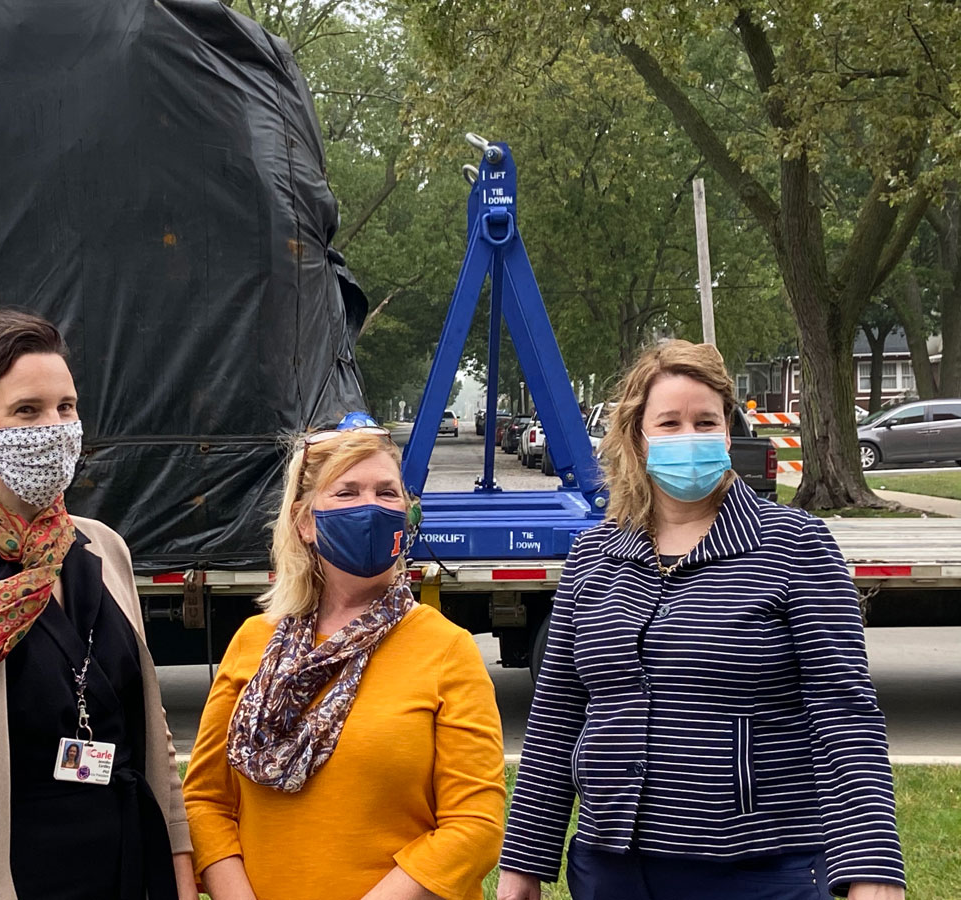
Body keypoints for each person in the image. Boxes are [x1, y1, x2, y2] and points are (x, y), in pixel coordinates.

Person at [497, 340, 905, 900]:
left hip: (754, 866)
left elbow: (844, 715)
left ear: (728, 430)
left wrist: (873, 871)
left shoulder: (795, 546)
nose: (688, 436)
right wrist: (523, 864)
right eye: (668, 422)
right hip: (610, 865)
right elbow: (556, 718)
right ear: (637, 437)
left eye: (705, 421)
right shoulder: (593, 557)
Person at [0, 309, 197, 900]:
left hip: (132, 861)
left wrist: (178, 851)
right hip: (24, 874)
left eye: (66, 407)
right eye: (28, 411)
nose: (56, 426)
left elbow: (150, 725)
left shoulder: (105, 547)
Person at [183, 413, 506, 900]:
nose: (370, 508)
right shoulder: (252, 642)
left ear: (406, 514)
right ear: (305, 522)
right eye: (347, 492)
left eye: (386, 492)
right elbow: (206, 801)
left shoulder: (446, 649)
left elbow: (475, 825)